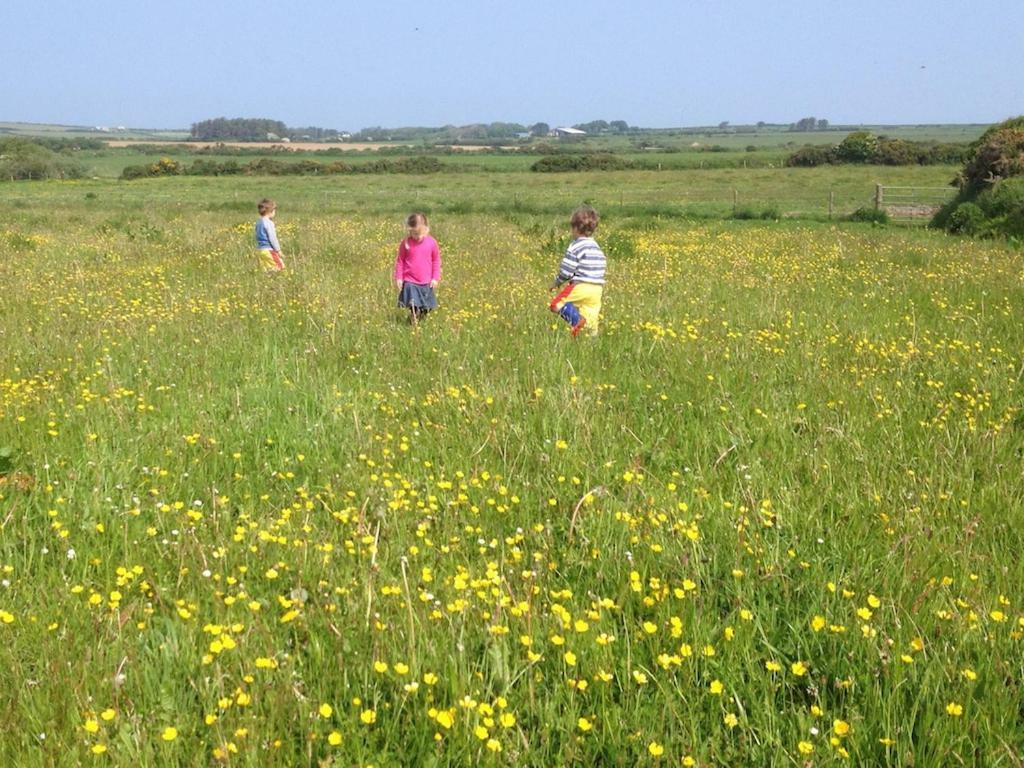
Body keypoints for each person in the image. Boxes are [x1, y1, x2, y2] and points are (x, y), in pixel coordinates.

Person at [549, 205, 606, 336]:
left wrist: (556, 283)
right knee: (590, 322)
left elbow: (566, 271)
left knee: (556, 304)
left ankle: (577, 320)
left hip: (580, 286)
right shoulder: (596, 246)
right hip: (597, 289)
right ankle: (590, 342)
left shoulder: (575, 246)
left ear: (576, 228)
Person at [394, 212, 441, 323]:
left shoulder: (432, 243)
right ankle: (413, 320)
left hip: (426, 281)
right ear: (410, 230)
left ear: (426, 229)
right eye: (414, 233)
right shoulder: (405, 243)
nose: (417, 237)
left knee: (427, 307)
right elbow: (400, 261)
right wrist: (399, 278)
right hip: (410, 281)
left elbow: (436, 261)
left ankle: (419, 320)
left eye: (420, 233)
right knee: (413, 304)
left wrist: (435, 278)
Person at [255, 198, 285, 272]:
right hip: (269, 249)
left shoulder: (258, 222)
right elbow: (272, 238)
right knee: (280, 267)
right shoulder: (269, 223)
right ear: (270, 211)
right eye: (274, 210)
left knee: (266, 269)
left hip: (260, 250)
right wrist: (278, 250)